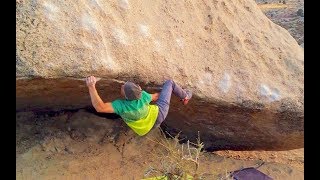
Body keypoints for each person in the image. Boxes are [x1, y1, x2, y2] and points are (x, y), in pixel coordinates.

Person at [86, 76, 192, 136]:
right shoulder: (144, 96)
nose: (122, 86)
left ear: (125, 95)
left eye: (123, 87)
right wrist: (167, 92)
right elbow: (157, 97)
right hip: (159, 114)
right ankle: (185, 96)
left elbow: (100, 107)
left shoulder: (121, 106)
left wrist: (91, 86)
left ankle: (186, 96)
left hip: (147, 129)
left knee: (168, 85)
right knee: (170, 83)